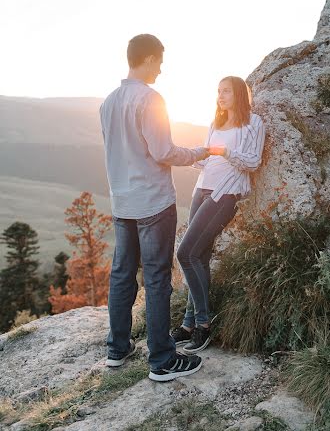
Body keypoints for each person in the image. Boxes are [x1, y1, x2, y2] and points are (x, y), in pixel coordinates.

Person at [100, 34, 209, 381]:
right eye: (159, 60)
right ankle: (162, 360)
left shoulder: (108, 102)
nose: (161, 68)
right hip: (153, 202)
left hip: (122, 202)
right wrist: (196, 153)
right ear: (147, 58)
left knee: (121, 275)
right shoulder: (150, 99)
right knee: (157, 278)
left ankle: (117, 349)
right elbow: (163, 152)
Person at [174, 76, 266, 353]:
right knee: (198, 256)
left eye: (226, 91)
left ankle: (203, 325)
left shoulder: (253, 123)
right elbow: (207, 158)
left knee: (185, 253)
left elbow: (252, 161)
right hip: (201, 190)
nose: (220, 96)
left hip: (225, 195)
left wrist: (224, 151)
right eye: (218, 91)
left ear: (239, 94)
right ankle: (188, 325)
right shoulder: (216, 123)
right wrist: (186, 155)